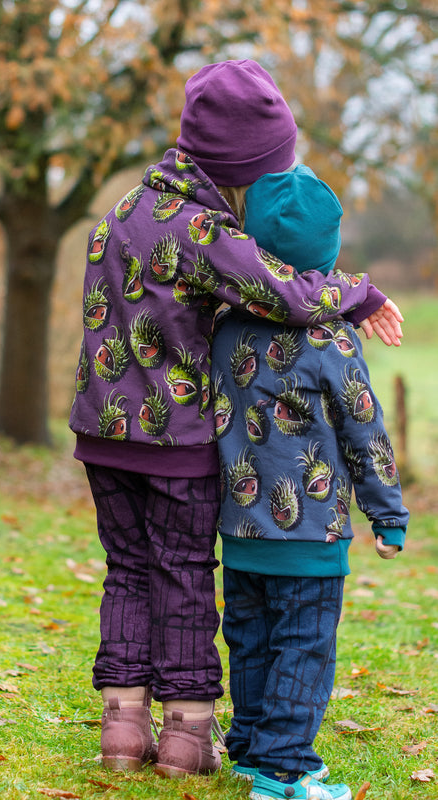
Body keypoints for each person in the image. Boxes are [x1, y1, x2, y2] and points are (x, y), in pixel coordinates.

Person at [68, 59, 404, 778]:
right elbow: (282, 292)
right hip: (177, 440)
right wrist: (360, 292)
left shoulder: (120, 215)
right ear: (237, 165)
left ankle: (121, 730)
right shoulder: (200, 230)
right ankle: (186, 736)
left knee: (126, 572)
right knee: (185, 574)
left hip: (100, 434)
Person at [211, 165, 409, 800]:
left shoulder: (224, 326)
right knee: (303, 648)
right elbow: (364, 431)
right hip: (310, 533)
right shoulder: (331, 338)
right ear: (328, 253)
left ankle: (248, 747)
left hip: (240, 528)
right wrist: (388, 514)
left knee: (250, 640)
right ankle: (282, 770)